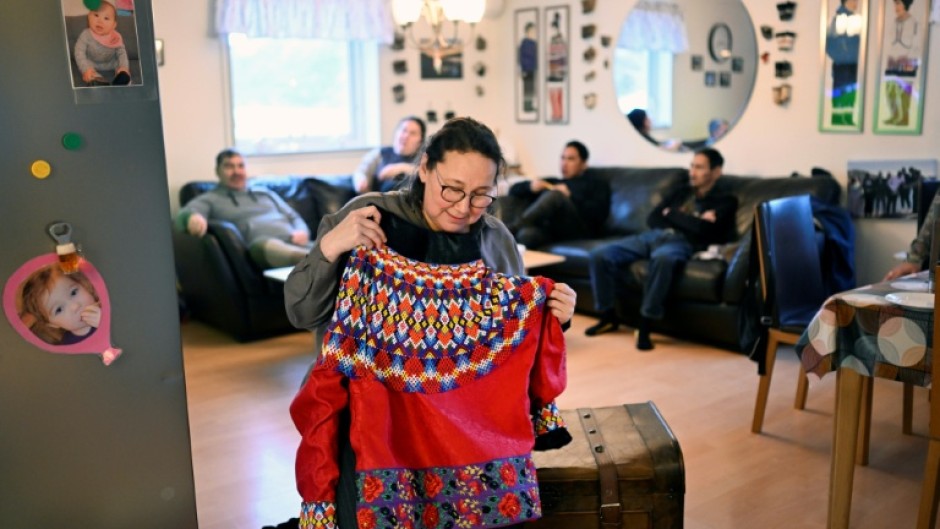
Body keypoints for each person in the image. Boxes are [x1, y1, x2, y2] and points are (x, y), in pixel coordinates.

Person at [284, 117, 577, 529]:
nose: (462, 208)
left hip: (462, 421)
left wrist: (553, 317)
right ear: (424, 168)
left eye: (481, 196)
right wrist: (333, 245)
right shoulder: (367, 219)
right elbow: (299, 310)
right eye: (452, 189)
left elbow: (512, 339)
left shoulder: (495, 238)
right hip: (369, 415)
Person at [584, 148, 738, 351]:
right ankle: (608, 316)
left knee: (664, 260)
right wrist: (691, 218)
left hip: (682, 243)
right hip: (653, 236)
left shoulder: (725, 201)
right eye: (692, 166)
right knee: (599, 255)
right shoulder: (681, 192)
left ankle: (646, 324)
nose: (692, 172)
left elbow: (704, 231)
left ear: (716, 172)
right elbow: (653, 218)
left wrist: (672, 214)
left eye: (699, 167)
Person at [175, 149, 312, 269]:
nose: (236, 171)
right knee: (262, 247)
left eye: (240, 166)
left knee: (328, 245)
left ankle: (319, 261)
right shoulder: (211, 198)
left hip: (296, 243)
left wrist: (302, 231)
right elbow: (183, 215)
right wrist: (191, 218)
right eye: (229, 166)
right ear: (217, 171)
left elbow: (294, 216)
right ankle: (314, 262)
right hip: (264, 247)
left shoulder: (265, 193)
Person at [507, 140, 610, 248]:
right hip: (552, 232)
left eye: (570, 159)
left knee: (556, 195)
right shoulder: (554, 181)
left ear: (583, 164)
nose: (564, 163)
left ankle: (511, 229)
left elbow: (598, 215)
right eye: (562, 158)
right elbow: (513, 190)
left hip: (579, 231)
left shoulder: (596, 183)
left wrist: (570, 196)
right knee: (526, 235)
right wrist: (530, 186)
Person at [18, 266, 100, 346]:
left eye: (73, 292)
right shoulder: (68, 346)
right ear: (52, 324)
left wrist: (105, 322)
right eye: (59, 309)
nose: (75, 306)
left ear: (83, 284)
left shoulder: (109, 307)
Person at [352, 116, 426, 194]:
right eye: (403, 130)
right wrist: (361, 182)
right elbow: (361, 171)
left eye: (413, 133)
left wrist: (401, 168)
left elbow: (429, 175)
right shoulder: (380, 154)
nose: (406, 136)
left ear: (420, 141)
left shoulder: (423, 159)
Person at [74, 0, 132, 86]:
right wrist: (86, 69)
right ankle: (98, 81)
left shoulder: (116, 37)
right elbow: (79, 52)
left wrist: (124, 67)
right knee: (90, 74)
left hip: (112, 63)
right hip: (92, 62)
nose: (100, 21)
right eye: (96, 15)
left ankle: (122, 80)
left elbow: (121, 53)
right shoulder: (86, 35)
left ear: (114, 25)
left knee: (122, 70)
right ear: (88, 17)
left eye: (106, 18)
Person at [882, 0, 921, 126]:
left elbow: (917, 44)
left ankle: (904, 117)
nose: (896, 7)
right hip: (892, 61)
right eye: (895, 4)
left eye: (899, 4)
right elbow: (888, 42)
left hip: (907, 60)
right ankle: (894, 115)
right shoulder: (894, 22)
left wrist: (909, 57)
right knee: (890, 89)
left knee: (904, 90)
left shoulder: (913, 22)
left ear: (906, 5)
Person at [825, 0, 862, 126]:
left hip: (853, 64)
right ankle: (838, 118)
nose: (857, 3)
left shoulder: (856, 20)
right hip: (842, 65)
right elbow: (829, 44)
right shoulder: (838, 20)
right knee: (840, 92)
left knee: (850, 93)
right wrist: (842, 56)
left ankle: (847, 118)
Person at [518, 22, 537, 113]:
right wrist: (523, 69)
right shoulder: (525, 43)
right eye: (532, 31)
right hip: (527, 69)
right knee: (527, 88)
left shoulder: (533, 43)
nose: (533, 33)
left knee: (531, 88)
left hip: (532, 69)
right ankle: (527, 106)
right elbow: (521, 57)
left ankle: (530, 105)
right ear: (528, 31)